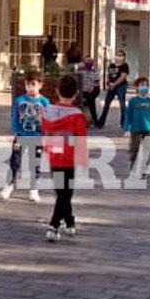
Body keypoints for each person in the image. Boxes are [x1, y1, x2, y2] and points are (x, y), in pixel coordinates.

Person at [40, 74, 88, 242]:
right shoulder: (77, 116)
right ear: (76, 94)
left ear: (57, 91)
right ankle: (53, 225)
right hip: (69, 159)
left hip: (54, 156)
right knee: (65, 194)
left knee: (62, 192)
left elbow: (43, 132)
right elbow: (80, 139)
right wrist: (82, 159)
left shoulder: (48, 111)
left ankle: (69, 221)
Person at [0, 69, 49, 203]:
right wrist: (15, 131)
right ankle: (9, 185)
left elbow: (48, 120)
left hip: (36, 136)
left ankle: (33, 189)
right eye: (27, 84)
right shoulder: (19, 100)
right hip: (21, 136)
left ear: (40, 85)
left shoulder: (44, 102)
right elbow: (15, 117)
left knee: (35, 163)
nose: (30, 87)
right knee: (14, 161)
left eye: (33, 84)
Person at [122, 77, 150, 176]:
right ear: (137, 87)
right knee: (134, 150)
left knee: (147, 150)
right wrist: (127, 129)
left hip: (148, 129)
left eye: (146, 85)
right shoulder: (133, 101)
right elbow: (128, 116)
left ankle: (143, 169)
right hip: (135, 129)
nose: (144, 87)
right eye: (142, 85)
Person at [97, 49, 131, 129]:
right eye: (117, 55)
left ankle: (123, 123)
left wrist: (115, 84)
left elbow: (123, 77)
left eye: (120, 55)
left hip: (121, 86)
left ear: (123, 57)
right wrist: (109, 83)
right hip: (111, 86)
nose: (118, 57)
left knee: (122, 105)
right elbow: (109, 75)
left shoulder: (125, 66)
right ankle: (101, 122)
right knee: (106, 104)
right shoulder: (111, 65)